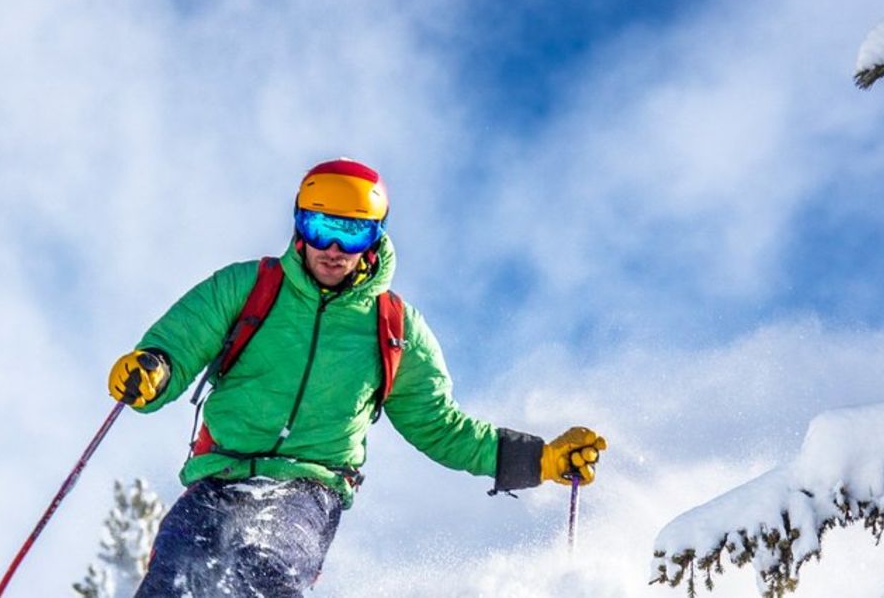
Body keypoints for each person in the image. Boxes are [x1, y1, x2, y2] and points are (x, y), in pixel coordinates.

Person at [108, 158, 606, 597]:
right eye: (322, 227)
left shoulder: (393, 328)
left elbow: (440, 426)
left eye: (353, 233)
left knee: (260, 568)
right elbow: (177, 345)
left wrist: (539, 460)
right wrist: (151, 370)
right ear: (300, 226)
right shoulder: (248, 287)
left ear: (375, 237)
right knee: (173, 580)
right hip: (218, 477)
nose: (334, 249)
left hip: (308, 489)